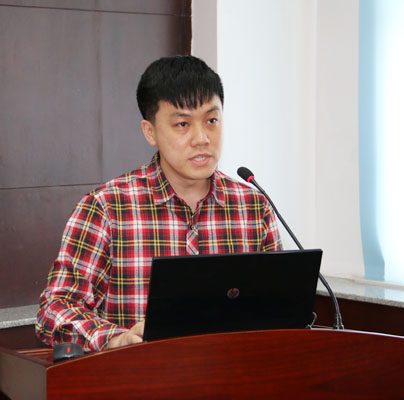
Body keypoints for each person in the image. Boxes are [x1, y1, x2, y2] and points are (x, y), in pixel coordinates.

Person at [36, 55, 282, 352]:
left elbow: (279, 306)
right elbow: (56, 309)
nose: (202, 138)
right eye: (182, 124)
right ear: (150, 131)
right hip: (141, 374)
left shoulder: (253, 207)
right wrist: (115, 338)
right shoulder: (107, 207)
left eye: (211, 121)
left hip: (234, 371)